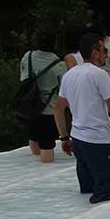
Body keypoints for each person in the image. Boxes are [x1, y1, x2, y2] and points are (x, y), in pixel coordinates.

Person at [53, 33, 110, 204]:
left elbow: (58, 109)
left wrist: (64, 137)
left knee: (87, 190)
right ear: (95, 53)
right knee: (107, 191)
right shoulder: (99, 75)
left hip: (78, 140)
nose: (106, 54)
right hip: (97, 140)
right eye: (104, 50)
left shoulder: (69, 75)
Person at [19, 35, 67, 163]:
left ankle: (33, 171)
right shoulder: (59, 64)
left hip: (28, 107)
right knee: (47, 149)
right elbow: (64, 88)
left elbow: (23, 78)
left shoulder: (27, 57)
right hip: (48, 109)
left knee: (33, 139)